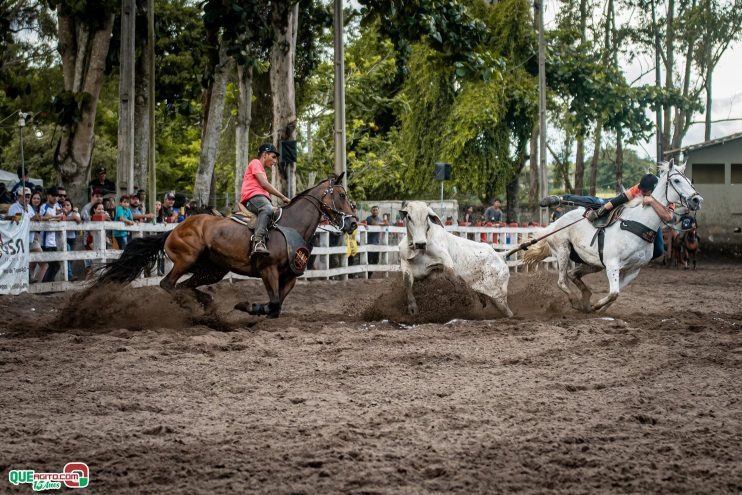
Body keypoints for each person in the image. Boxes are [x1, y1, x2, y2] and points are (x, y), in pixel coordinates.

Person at [540, 173, 673, 259]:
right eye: (641, 191)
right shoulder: (638, 188)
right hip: (628, 210)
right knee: (597, 202)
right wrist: (601, 211)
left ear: (655, 190)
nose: (643, 193)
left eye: (646, 192)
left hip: (651, 223)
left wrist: (651, 201)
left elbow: (668, 217)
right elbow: (619, 200)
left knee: (659, 250)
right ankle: (561, 199)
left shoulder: (668, 196)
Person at [239, 143, 290, 256]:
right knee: (267, 209)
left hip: (260, 199)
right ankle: (258, 243)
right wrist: (282, 197)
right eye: (273, 157)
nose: (275, 161)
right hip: (252, 198)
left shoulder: (261, 169)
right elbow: (264, 184)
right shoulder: (255, 162)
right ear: (265, 155)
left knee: (277, 212)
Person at [40, 186, 65, 282]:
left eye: (57, 196)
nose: (56, 198)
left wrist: (53, 217)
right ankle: (45, 285)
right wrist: (55, 217)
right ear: (48, 196)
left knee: (54, 266)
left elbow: (61, 217)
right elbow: (45, 217)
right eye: (53, 195)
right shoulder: (43, 207)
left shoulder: (57, 206)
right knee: (53, 265)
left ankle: (46, 285)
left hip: (54, 241)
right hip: (45, 242)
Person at [62, 199, 81, 280]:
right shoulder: (60, 213)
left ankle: (69, 275)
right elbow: (61, 219)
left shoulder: (75, 213)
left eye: (68, 205)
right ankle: (69, 276)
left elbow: (79, 220)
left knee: (71, 258)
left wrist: (71, 216)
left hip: (73, 239)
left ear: (71, 206)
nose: (66, 206)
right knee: (66, 257)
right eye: (64, 205)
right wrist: (71, 217)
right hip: (64, 238)